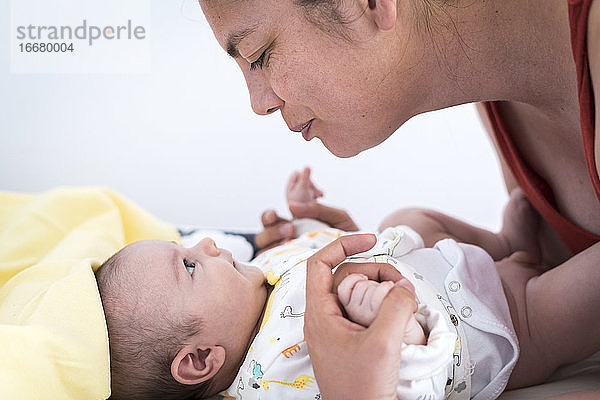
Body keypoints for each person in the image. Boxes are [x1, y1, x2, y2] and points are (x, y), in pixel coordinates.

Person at [196, 0, 600, 397]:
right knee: (405, 223)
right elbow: (545, 266)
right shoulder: (499, 76)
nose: (258, 103)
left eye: (259, 55)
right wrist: (385, 260)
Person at [95, 170, 596, 400]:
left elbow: (342, 255)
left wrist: (321, 226)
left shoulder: (257, 280)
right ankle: (523, 264)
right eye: (187, 267)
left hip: (435, 259)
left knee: (406, 216)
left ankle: (507, 244)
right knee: (575, 300)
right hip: (497, 323)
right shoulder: (274, 380)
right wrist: (404, 334)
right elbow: (401, 388)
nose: (205, 246)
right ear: (201, 360)